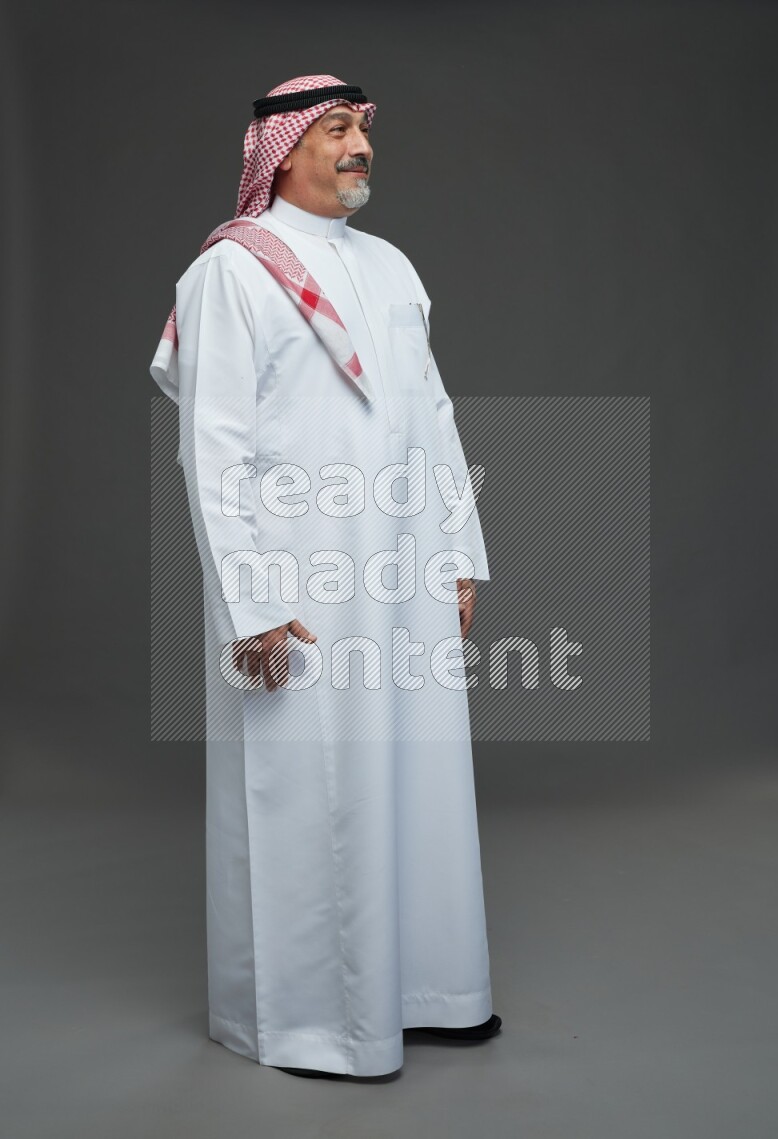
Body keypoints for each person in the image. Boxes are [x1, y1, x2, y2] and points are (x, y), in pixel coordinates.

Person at [149, 74, 501, 1080]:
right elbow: (212, 450)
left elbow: (430, 414)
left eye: (362, 131)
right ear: (283, 147)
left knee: (415, 771)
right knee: (308, 784)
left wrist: (455, 548)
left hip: (398, 568)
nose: (358, 147)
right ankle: (309, 1020)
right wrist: (249, 604)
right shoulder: (232, 272)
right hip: (299, 584)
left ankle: (427, 991)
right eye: (336, 130)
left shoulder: (389, 265)